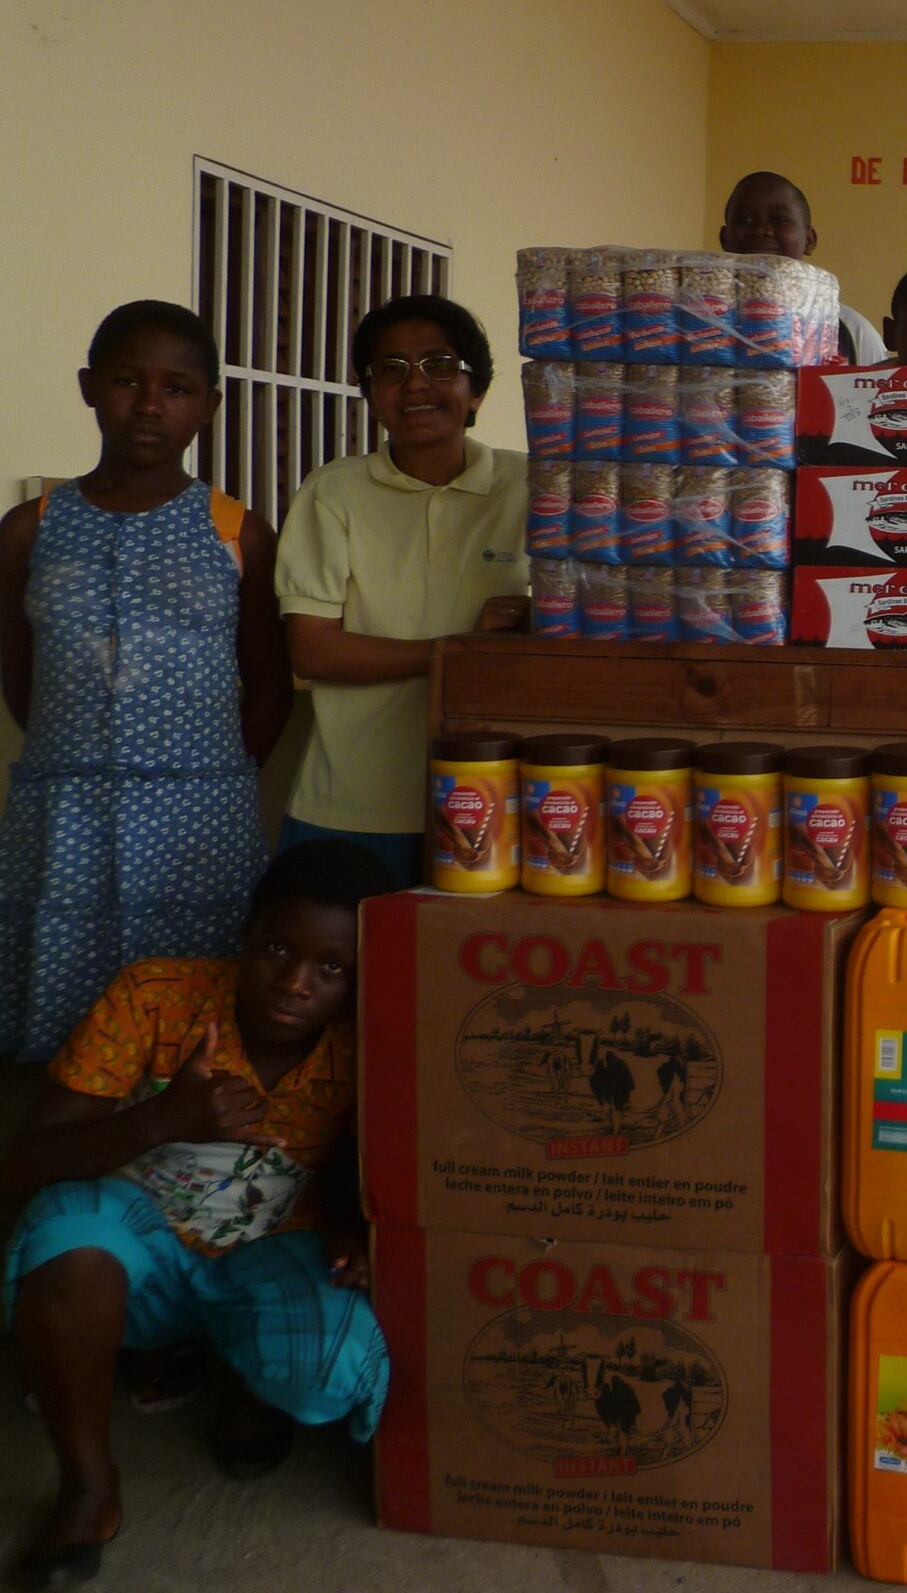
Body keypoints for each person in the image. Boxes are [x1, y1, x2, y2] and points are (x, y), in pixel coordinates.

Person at [2, 840, 397, 1586]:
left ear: (361, 976)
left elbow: (385, 1175)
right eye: (276, 948)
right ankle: (88, 1487)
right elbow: (20, 1165)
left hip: (274, 1250)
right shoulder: (156, 995)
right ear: (245, 932)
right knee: (67, 1241)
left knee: (328, 1367)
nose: (294, 982)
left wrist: (357, 1233)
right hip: (136, 1254)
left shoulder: (371, 1041)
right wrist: (160, 1119)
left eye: (331, 967)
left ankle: (235, 1368)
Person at [0, 303, 291, 1062]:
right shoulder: (30, 528)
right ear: (89, 387)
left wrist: (216, 784)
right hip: (63, 812)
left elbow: (270, 684)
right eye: (128, 381)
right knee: (59, 1018)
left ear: (209, 404)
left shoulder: (237, 531)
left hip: (199, 825)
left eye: (177, 388)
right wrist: (75, 759)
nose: (151, 405)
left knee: (187, 1024)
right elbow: (20, 671)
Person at [275, 296, 528, 885]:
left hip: (499, 793)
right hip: (353, 803)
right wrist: (458, 650)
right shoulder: (333, 492)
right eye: (390, 369)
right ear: (369, 394)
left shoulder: (532, 486)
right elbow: (313, 650)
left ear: (477, 390)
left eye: (439, 364)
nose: (415, 384)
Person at [718, 169, 889, 366]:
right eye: (745, 219)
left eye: (779, 220)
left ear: (809, 240)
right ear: (724, 238)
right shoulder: (698, 320)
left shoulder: (851, 331)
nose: (761, 230)